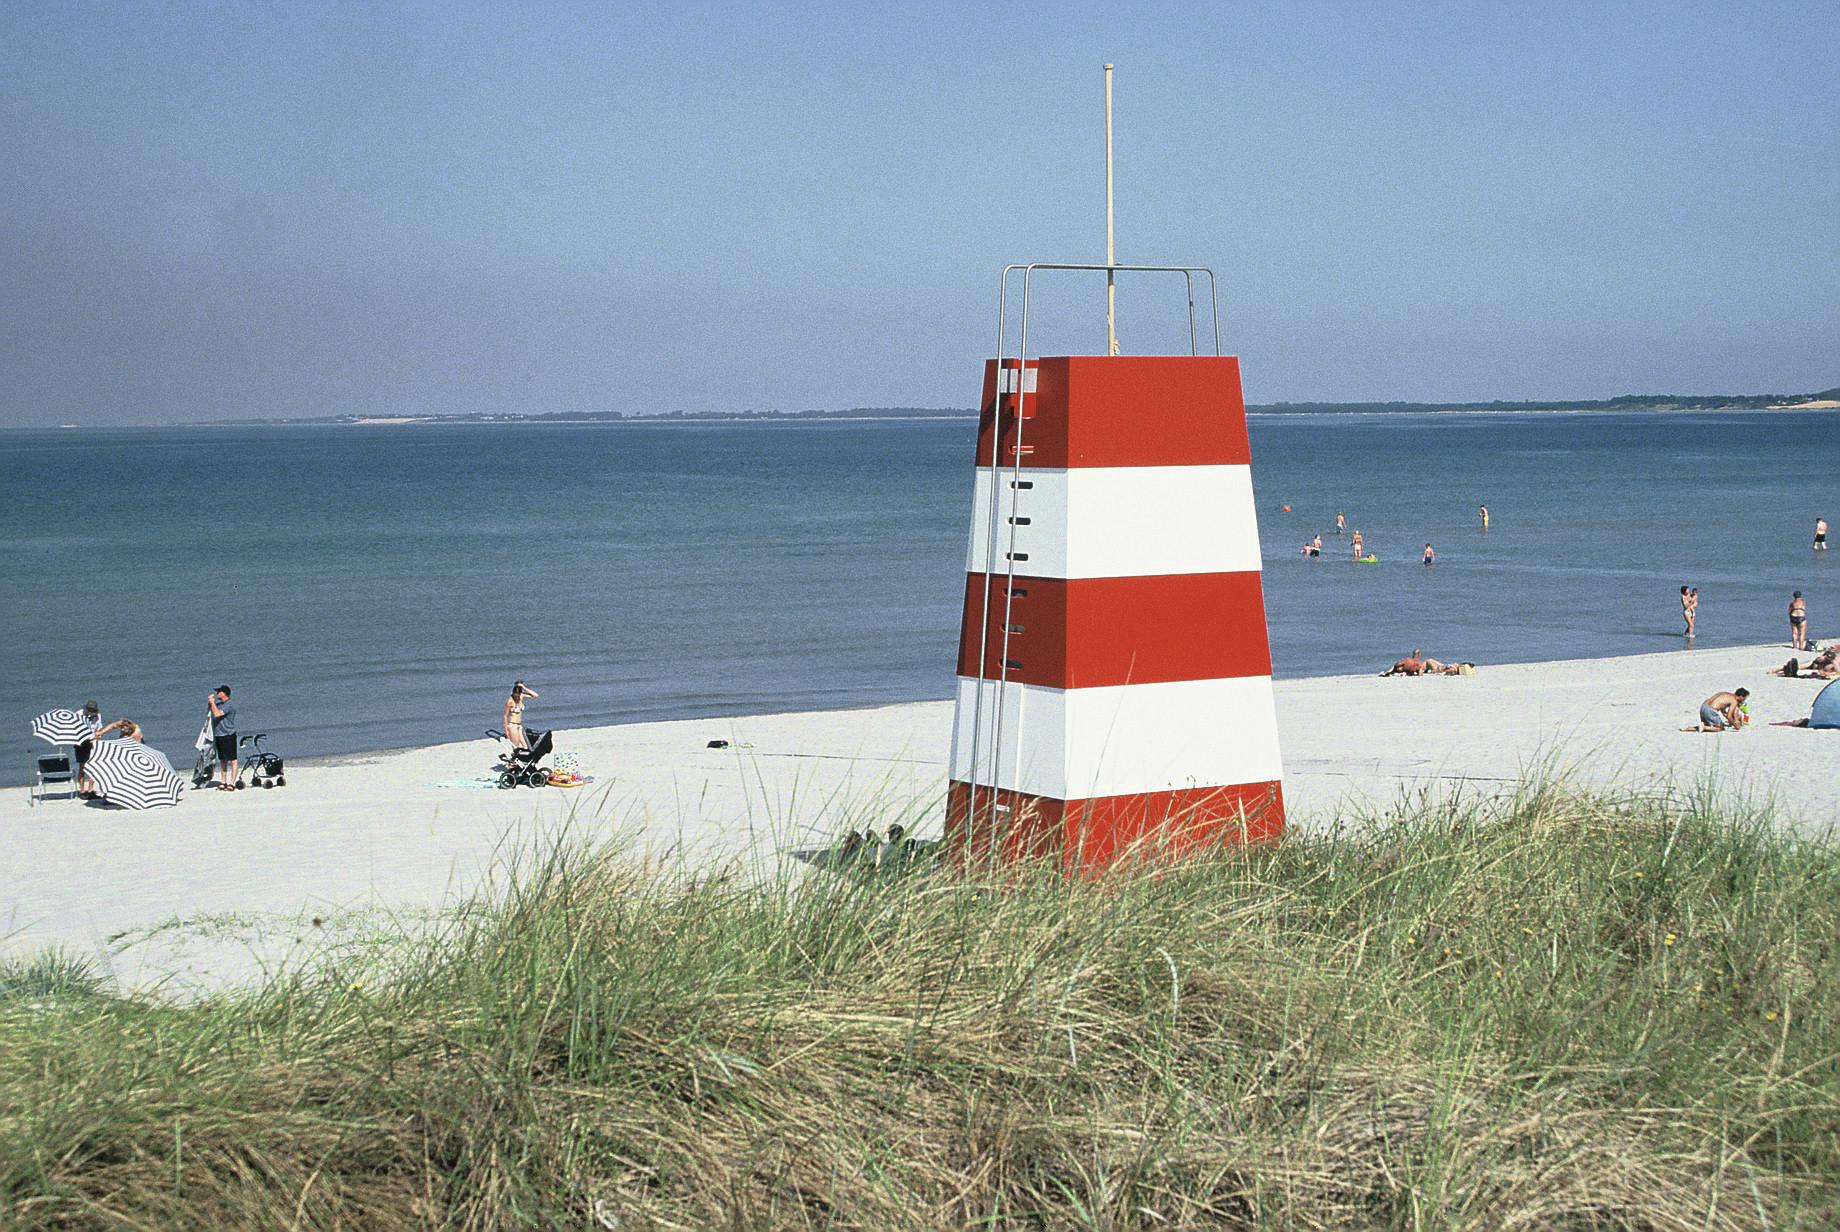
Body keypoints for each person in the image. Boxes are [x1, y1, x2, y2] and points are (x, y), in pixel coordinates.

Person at [75, 700, 128, 799]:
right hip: (81, 742)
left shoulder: (97, 716)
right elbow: (75, 729)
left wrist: (97, 737)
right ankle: (82, 791)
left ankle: (91, 790)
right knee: (82, 767)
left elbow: (99, 728)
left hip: (93, 741)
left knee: (94, 767)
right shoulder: (78, 715)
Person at [207, 685, 238, 790]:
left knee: (233, 759)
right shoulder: (219, 704)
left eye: (219, 692)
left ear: (224, 693)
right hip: (219, 734)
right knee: (223, 759)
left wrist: (212, 703)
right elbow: (210, 712)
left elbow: (217, 714)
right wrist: (210, 703)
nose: (217, 694)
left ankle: (232, 783)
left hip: (228, 734)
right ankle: (223, 781)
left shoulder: (229, 705)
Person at [503, 680, 539, 751]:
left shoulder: (521, 696)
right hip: (512, 725)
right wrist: (506, 731)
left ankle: (518, 760)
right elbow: (505, 716)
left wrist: (523, 687)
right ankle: (512, 761)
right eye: (515, 696)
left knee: (525, 746)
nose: (516, 697)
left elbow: (535, 695)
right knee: (516, 746)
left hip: (519, 725)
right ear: (513, 693)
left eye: (518, 696)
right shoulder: (510, 701)